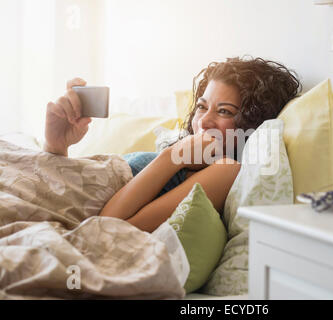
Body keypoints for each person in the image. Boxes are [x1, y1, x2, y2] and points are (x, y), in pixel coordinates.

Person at [43, 56, 301, 233]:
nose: (205, 121)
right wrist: (56, 149)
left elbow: (107, 228)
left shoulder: (226, 169)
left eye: (224, 111)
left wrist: (171, 157)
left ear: (250, 124)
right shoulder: (181, 155)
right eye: (202, 106)